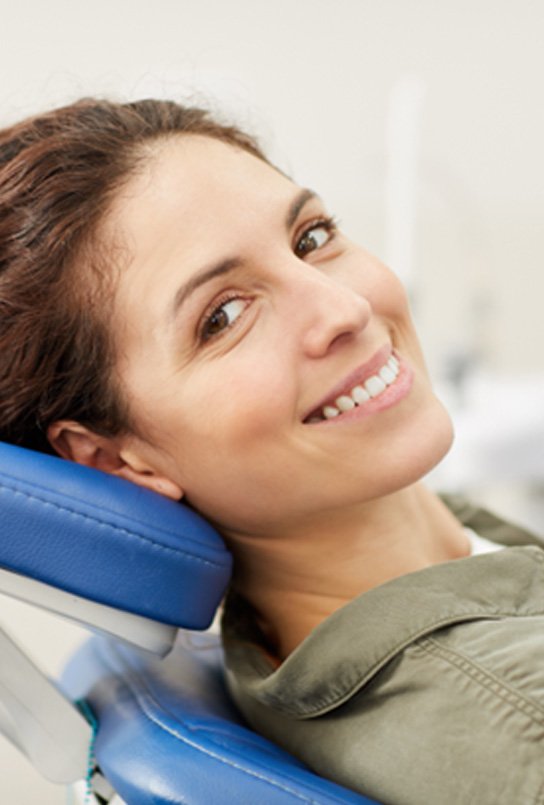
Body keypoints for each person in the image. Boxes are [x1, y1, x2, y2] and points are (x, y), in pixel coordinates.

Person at [1, 98, 543, 805]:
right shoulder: (513, 724)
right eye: (222, 317)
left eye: (311, 237)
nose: (343, 309)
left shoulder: (299, 644)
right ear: (116, 460)